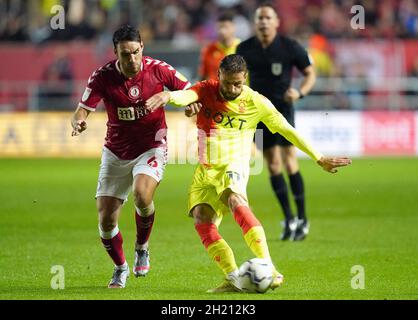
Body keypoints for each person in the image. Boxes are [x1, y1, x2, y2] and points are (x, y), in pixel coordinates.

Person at [145, 54, 351, 293]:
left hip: (234, 165)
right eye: (228, 83)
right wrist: (168, 95)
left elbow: (287, 129)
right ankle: (234, 278)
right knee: (202, 218)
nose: (233, 88)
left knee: (234, 199)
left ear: (245, 79)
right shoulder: (205, 89)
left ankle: (270, 268)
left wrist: (319, 157)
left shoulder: (256, 102)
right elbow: (186, 96)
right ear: (219, 75)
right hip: (206, 168)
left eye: (238, 84)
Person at [70, 25, 190, 288]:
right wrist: (78, 122)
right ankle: (120, 267)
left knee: (142, 194)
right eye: (125, 54)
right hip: (115, 152)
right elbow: (81, 110)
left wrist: (174, 98)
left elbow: (192, 92)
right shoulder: (101, 77)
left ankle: (142, 246)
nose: (132, 59)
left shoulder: (160, 69)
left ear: (142, 48)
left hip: (152, 146)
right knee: (105, 220)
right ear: (115, 53)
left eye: (136, 52)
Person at [236, 3, 317, 241]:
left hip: (282, 110)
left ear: (276, 22)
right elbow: (232, 74)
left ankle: (302, 218)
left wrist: (300, 92)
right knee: (272, 165)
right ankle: (289, 217)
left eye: (267, 18)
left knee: (290, 160)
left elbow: (310, 72)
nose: (263, 21)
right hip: (257, 112)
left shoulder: (289, 46)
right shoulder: (245, 48)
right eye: (259, 18)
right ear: (255, 22)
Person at [199, 12, 240, 81]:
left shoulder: (242, 48)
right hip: (214, 91)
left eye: (225, 27)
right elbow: (203, 76)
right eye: (219, 27)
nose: (222, 31)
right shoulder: (209, 49)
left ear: (233, 27)